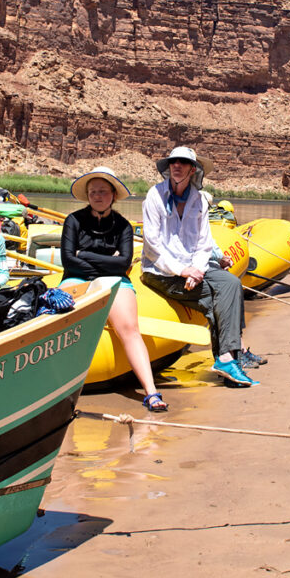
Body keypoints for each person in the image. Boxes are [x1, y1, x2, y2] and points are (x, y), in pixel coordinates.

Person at [139, 146, 261, 388]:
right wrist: (182, 271)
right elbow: (152, 245)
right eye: (173, 162)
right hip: (159, 271)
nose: (177, 166)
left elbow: (203, 244)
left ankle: (227, 360)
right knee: (217, 299)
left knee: (232, 283)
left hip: (191, 268)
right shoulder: (155, 196)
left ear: (192, 169)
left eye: (183, 163)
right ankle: (228, 359)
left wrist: (196, 270)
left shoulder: (199, 200)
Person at [61, 166, 167, 412]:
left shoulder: (123, 226)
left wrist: (84, 254)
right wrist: (107, 262)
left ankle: (151, 392)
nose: (97, 196)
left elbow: (124, 262)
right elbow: (68, 261)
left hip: (115, 280)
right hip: (76, 279)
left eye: (103, 191)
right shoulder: (73, 221)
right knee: (62, 323)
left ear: (113, 195)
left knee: (129, 328)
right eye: (93, 192)